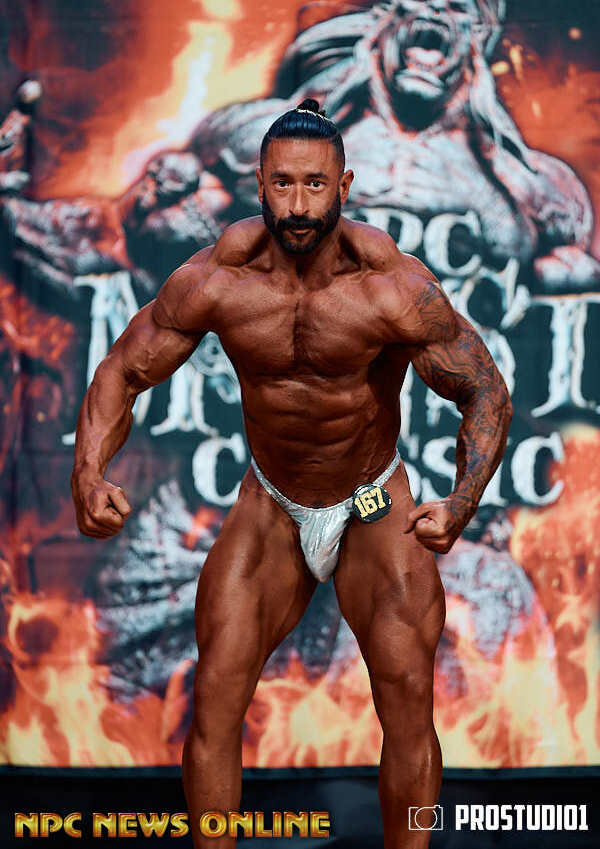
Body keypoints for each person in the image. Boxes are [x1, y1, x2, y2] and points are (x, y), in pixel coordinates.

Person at [71, 99, 512, 848]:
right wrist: (89, 474)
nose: (299, 205)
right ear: (259, 184)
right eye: (283, 184)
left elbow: (485, 391)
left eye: (315, 185)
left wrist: (461, 503)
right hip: (273, 504)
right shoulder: (218, 278)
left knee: (408, 703)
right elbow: (122, 370)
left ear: (345, 185)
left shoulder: (391, 287)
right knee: (214, 701)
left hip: (373, 504)